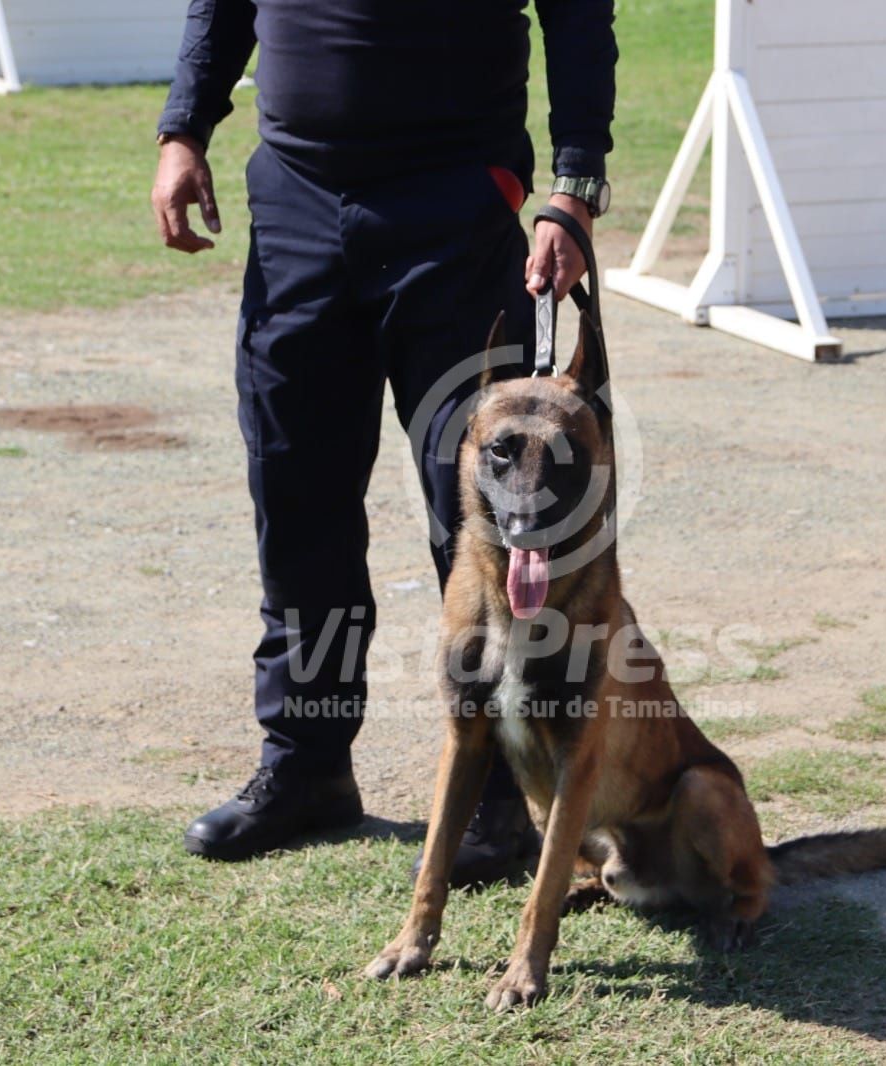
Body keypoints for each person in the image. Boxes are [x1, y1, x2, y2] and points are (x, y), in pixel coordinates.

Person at [150, 0, 616, 885]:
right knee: (298, 495)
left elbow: (578, 12)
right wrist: (184, 130)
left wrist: (573, 187)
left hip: (454, 203)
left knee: (486, 516)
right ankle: (309, 762)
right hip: (297, 195)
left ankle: (505, 796)